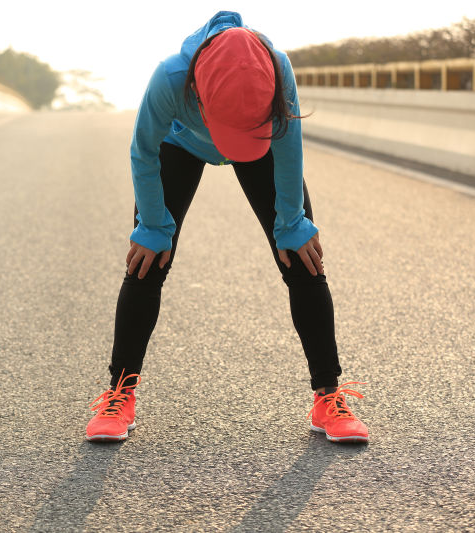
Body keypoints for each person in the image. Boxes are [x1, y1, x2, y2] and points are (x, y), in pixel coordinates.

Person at [86, 11, 369, 444]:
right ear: (197, 94)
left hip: (259, 142)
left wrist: (291, 222)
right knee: (148, 260)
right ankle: (120, 395)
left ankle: (328, 397)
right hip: (182, 144)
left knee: (303, 257)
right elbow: (143, 150)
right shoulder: (171, 77)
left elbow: (288, 145)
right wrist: (154, 226)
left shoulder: (277, 67)